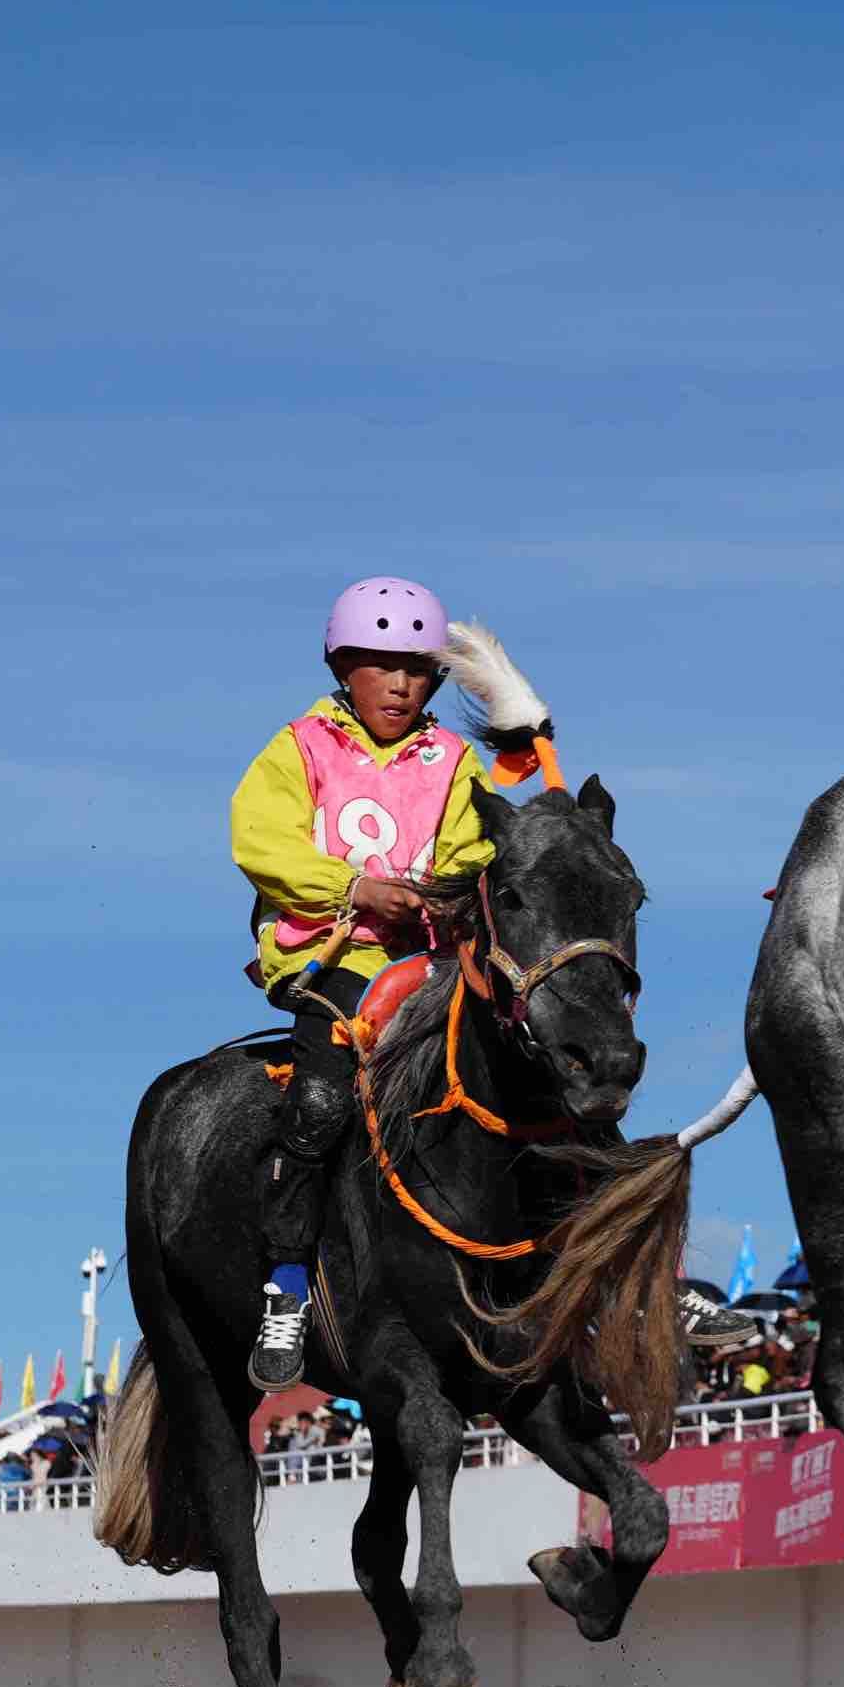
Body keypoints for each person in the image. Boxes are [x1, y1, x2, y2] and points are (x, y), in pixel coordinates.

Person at [227, 576, 500, 1388]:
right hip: (328, 960)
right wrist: (355, 888)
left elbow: (475, 853)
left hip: (433, 967)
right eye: (381, 666)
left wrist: (444, 899)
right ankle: (285, 1287)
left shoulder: (456, 761)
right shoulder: (298, 746)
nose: (400, 685)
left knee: (539, 1060)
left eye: (417, 670)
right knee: (319, 1102)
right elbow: (261, 841)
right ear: (343, 668)